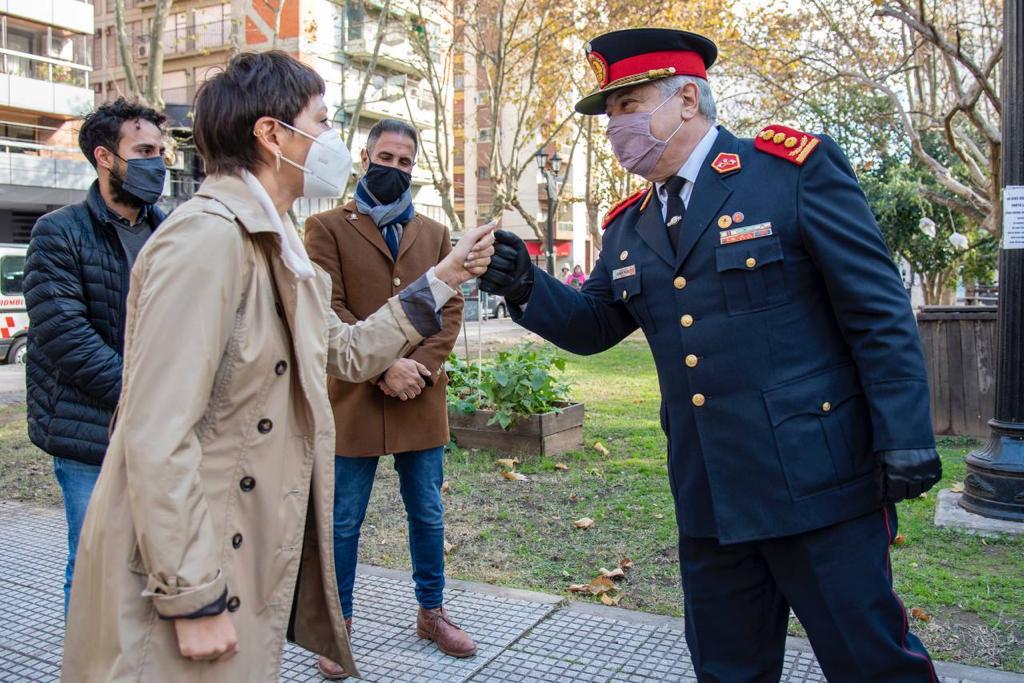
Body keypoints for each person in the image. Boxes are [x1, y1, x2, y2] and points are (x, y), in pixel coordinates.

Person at [480, 29, 942, 681]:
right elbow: (597, 322)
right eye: (610, 113)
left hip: (817, 485)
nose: (614, 126)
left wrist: (905, 434)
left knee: (872, 664)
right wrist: (522, 281)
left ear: (688, 99)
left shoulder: (789, 174)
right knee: (727, 671)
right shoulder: (628, 226)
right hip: (710, 496)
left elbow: (876, 309)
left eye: (627, 105)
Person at [60, 51, 494, 682]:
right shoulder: (205, 239)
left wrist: (444, 277)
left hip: (237, 550)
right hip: (189, 566)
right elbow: (156, 434)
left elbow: (343, 351)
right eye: (320, 121)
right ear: (271, 134)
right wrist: (191, 593)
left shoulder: (278, 241)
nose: (331, 142)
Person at [304, 118, 475, 678]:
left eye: (404, 162)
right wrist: (383, 367)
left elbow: (449, 312)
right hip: (353, 396)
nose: (394, 168)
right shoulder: (324, 227)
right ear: (364, 156)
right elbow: (328, 310)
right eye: (386, 157)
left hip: (419, 398)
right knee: (344, 520)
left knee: (426, 512)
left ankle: (431, 612)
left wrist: (419, 369)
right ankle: (338, 626)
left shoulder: (434, 233)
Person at [23, 98, 167, 614]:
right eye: (144, 151)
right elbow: (66, 336)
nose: (159, 163)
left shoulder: (168, 231)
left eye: (161, 150)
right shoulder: (58, 232)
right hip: (92, 433)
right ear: (105, 157)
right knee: (94, 569)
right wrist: (144, 395)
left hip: (161, 430)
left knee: (160, 569)